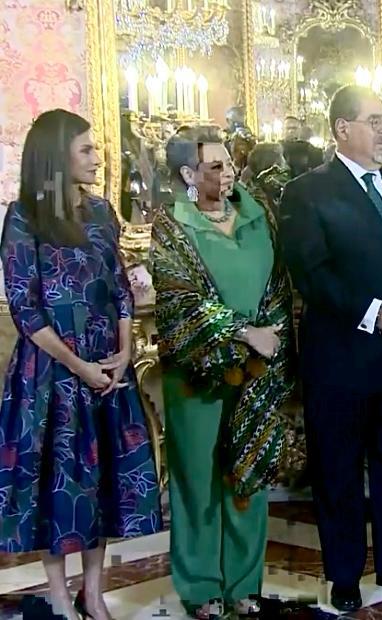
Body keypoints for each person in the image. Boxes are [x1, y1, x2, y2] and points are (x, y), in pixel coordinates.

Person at [278, 85, 382, 612]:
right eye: (374, 120)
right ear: (341, 129)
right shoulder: (306, 192)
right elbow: (312, 273)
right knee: (339, 470)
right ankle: (345, 575)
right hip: (341, 359)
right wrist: (375, 313)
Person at [0, 109, 162, 620]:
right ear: (58, 154)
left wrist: (125, 350)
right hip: (52, 374)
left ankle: (93, 593)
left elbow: (119, 287)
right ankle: (58, 597)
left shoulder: (102, 211)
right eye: (87, 149)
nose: (98, 157)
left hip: (106, 370)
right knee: (58, 486)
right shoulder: (23, 216)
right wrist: (78, 365)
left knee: (102, 483)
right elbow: (25, 308)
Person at [151, 126, 294, 619]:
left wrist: (269, 336)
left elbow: (280, 283)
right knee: (198, 481)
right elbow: (180, 301)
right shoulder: (171, 225)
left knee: (247, 477)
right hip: (199, 374)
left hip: (257, 372)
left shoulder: (258, 213)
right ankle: (200, 587)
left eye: (230, 161)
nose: (229, 171)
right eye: (216, 166)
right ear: (189, 175)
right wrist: (242, 333)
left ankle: (244, 585)